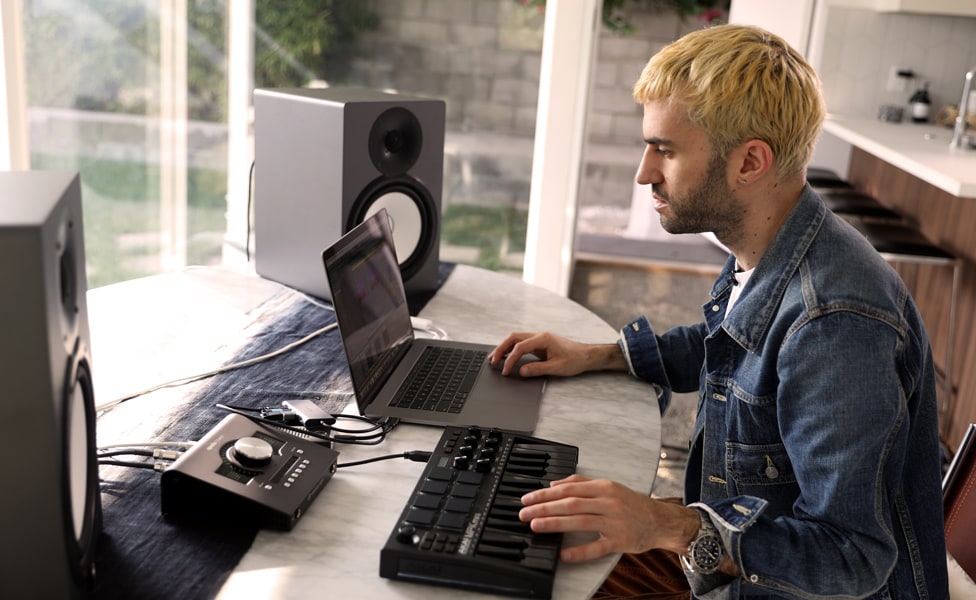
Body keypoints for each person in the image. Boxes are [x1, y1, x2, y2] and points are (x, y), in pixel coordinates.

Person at [489, 24, 949, 599]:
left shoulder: (833, 323)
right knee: (523, 546)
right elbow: (730, 344)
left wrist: (667, 525)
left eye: (665, 149)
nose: (643, 173)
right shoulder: (768, 242)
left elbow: (851, 556)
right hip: (732, 554)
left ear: (750, 162)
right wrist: (602, 355)